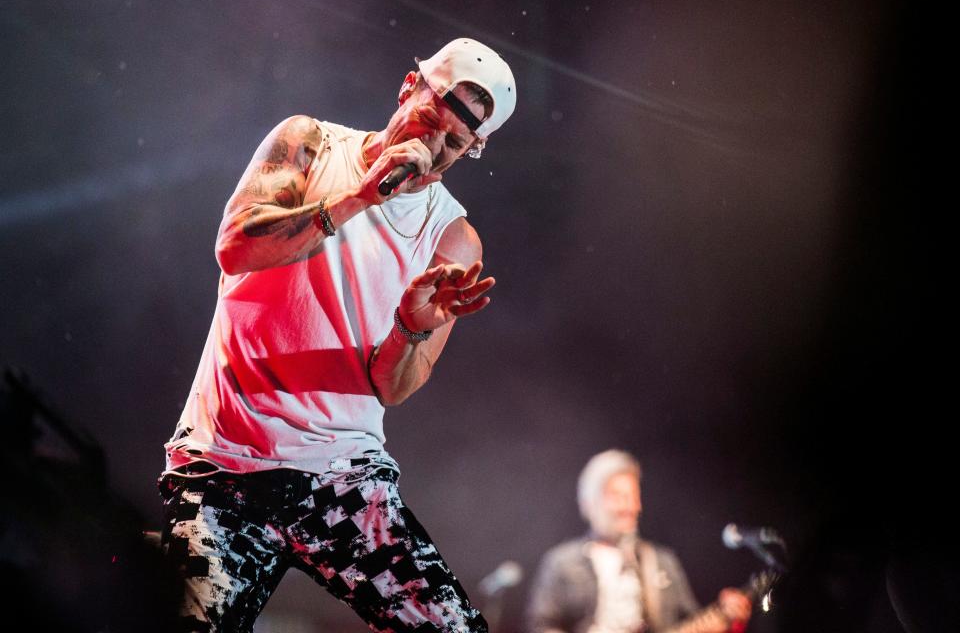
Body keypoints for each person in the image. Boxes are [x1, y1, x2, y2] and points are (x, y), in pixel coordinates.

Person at [157, 38, 516, 633]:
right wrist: (357, 197)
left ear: (474, 147)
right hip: (222, 467)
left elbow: (392, 387)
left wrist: (409, 328)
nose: (434, 146)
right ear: (409, 87)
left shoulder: (453, 239)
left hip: (341, 477)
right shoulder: (309, 143)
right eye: (431, 121)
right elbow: (235, 247)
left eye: (456, 143)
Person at [528, 450, 752, 633]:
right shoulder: (561, 562)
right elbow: (541, 625)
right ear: (589, 503)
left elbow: (690, 620)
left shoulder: (663, 561)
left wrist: (726, 618)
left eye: (634, 496)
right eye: (618, 497)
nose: (631, 507)